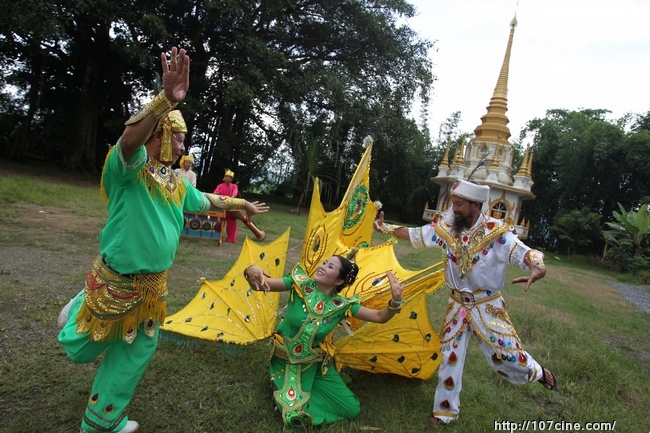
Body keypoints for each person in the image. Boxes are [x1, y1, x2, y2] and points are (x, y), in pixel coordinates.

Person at [57, 46, 269, 433]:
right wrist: (165, 100)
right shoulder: (128, 168)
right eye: (180, 139)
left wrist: (242, 204)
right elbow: (128, 143)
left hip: (154, 288)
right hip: (116, 282)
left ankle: (101, 423)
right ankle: (76, 309)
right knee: (84, 346)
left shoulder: (174, 182)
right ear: (160, 135)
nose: (185, 148)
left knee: (135, 353)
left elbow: (207, 199)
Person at [373, 178, 556, 428]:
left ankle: (537, 372)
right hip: (457, 304)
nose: (454, 208)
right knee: (450, 355)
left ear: (475, 205)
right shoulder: (448, 227)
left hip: (487, 305)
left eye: (459, 204)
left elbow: (525, 252)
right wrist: (387, 229)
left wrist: (538, 266)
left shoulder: (497, 232)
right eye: (453, 203)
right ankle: (445, 412)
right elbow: (417, 235)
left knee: (507, 358)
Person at [243, 255, 405, 428]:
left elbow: (380, 317)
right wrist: (250, 270)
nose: (322, 266)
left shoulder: (341, 305)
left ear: (339, 280)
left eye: (330, 267)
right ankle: (288, 399)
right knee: (294, 417)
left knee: (351, 409)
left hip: (314, 364)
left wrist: (395, 301)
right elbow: (260, 285)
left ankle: (298, 397)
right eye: (324, 262)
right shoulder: (298, 284)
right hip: (287, 361)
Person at [213, 169, 239, 242]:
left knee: (232, 222)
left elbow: (234, 193)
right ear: (224, 178)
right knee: (219, 221)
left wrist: (231, 199)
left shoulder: (234, 186)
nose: (228, 178)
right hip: (221, 206)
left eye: (230, 177)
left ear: (232, 179)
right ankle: (217, 236)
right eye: (227, 177)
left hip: (230, 206)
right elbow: (215, 193)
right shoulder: (220, 186)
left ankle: (231, 238)